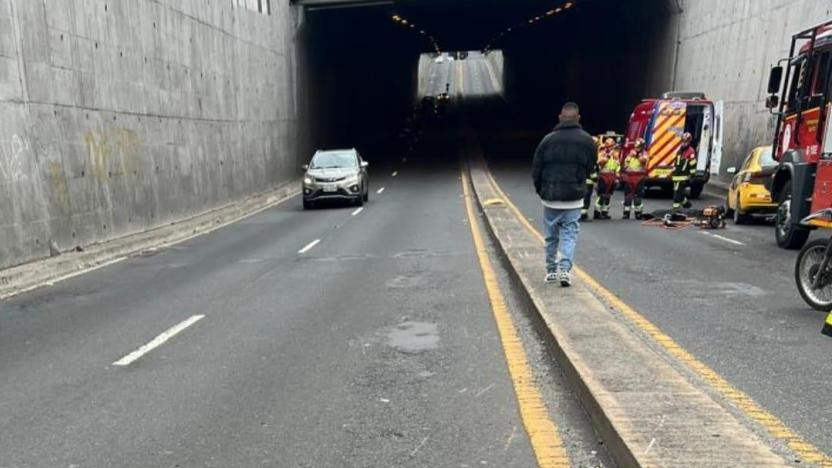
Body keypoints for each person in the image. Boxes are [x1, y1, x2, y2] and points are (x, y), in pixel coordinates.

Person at [532, 102, 597, 286]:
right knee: (569, 235)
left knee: (551, 236)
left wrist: (541, 191)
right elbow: (591, 166)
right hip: (574, 198)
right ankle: (565, 270)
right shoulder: (587, 140)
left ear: (560, 117)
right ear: (578, 118)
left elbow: (536, 169)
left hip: (550, 198)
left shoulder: (547, 140)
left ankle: (551, 271)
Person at [622, 138, 649, 219]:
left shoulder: (644, 154)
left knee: (638, 195)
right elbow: (626, 163)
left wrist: (637, 155)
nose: (636, 149)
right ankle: (626, 213)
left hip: (639, 177)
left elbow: (643, 161)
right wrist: (626, 168)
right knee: (628, 195)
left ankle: (638, 213)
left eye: (638, 147)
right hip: (630, 177)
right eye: (636, 147)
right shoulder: (630, 154)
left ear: (642, 147)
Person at [594, 138, 620, 220]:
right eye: (610, 146)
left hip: (612, 175)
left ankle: (605, 212)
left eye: (613, 146)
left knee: (608, 195)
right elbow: (600, 162)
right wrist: (608, 156)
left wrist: (617, 175)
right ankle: (597, 212)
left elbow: (618, 165)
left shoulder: (615, 154)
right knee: (602, 194)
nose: (612, 148)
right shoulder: (602, 152)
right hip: (604, 175)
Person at [672, 132, 697, 212]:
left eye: (686, 142)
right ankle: (686, 204)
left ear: (689, 142)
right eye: (683, 141)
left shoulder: (691, 151)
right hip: (676, 176)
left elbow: (692, 164)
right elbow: (676, 162)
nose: (684, 143)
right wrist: (673, 171)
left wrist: (692, 175)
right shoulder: (679, 151)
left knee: (677, 194)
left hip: (683, 176)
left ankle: (676, 210)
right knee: (679, 193)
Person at [581, 137, 601, 221]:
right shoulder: (590, 154)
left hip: (581, 178)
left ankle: (580, 214)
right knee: (586, 197)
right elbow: (591, 166)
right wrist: (595, 177)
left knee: (582, 197)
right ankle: (583, 215)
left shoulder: (583, 152)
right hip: (587, 179)